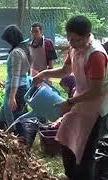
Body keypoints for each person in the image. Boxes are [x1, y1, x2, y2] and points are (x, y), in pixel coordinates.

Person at [33, 15, 108, 180]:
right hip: (79, 100)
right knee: (66, 139)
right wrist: (44, 74)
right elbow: (65, 71)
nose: (71, 43)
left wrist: (69, 102)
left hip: (95, 106)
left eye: (75, 39)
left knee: (85, 151)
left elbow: (95, 91)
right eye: (69, 38)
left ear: (87, 36)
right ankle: (72, 175)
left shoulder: (96, 54)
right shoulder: (74, 49)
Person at [0, 25, 31, 129]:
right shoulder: (24, 48)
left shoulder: (16, 52)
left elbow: (16, 76)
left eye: (8, 40)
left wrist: (12, 97)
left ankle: (18, 140)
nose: (7, 43)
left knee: (16, 119)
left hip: (16, 88)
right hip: (21, 86)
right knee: (3, 116)